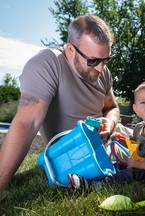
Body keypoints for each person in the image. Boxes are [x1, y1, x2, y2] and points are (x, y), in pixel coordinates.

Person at [0, 15, 120, 189]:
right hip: (72, 154)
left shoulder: (103, 71)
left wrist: (110, 123)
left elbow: (112, 107)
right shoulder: (47, 64)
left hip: (110, 142)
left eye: (106, 60)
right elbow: (27, 122)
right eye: (93, 61)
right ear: (70, 49)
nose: (101, 68)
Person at [68, 81, 145, 192]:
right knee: (116, 165)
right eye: (143, 102)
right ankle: (91, 177)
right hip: (138, 166)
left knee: (131, 173)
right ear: (135, 109)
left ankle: (95, 185)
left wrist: (138, 164)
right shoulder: (139, 128)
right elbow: (137, 147)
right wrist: (123, 142)